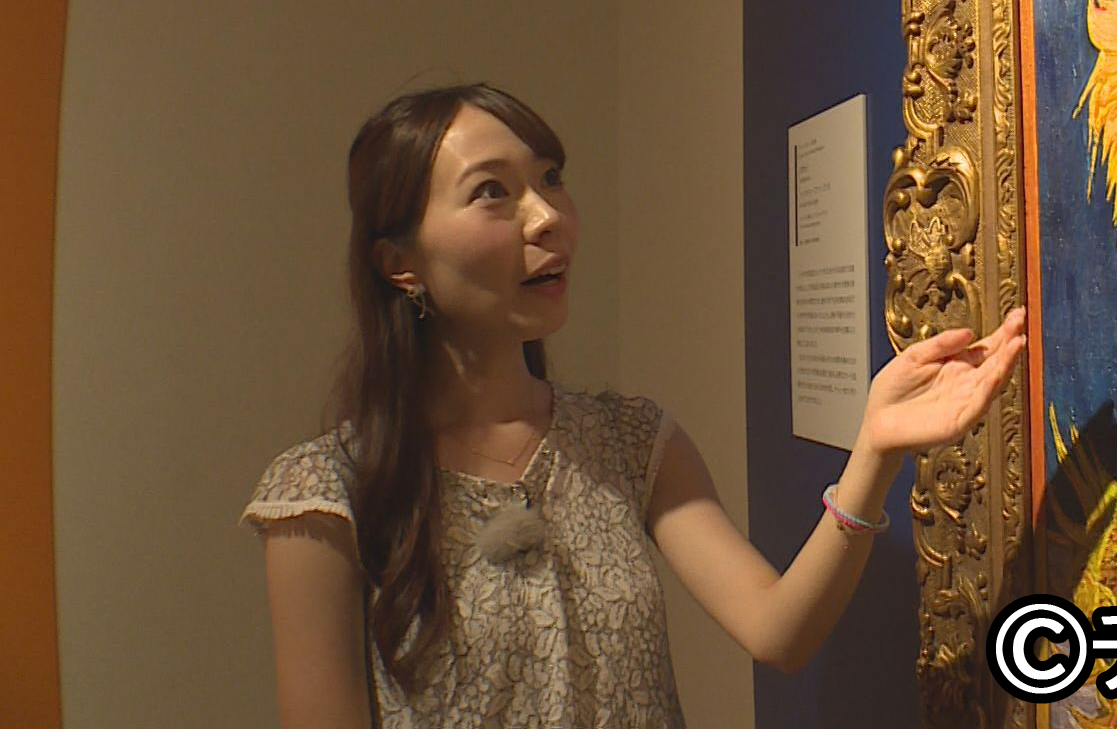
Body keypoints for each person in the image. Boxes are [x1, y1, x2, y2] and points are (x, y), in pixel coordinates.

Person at [242, 83, 1027, 728]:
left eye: (551, 177)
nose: (548, 216)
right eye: (492, 192)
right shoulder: (326, 493)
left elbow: (779, 631)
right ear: (400, 263)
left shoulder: (629, 439)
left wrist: (875, 451)